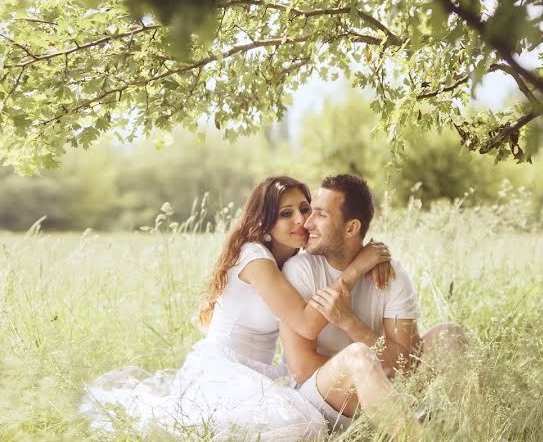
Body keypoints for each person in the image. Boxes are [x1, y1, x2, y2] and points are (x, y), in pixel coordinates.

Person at [80, 175, 393, 440]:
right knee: (300, 424)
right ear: (265, 222)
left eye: (304, 209)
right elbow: (307, 324)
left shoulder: (293, 260)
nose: (300, 219)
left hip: (259, 371)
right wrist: (353, 273)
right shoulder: (254, 257)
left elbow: (340, 247)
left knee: (306, 419)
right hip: (221, 369)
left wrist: (371, 258)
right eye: (286, 214)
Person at [280, 174, 468, 439]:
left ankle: (479, 431)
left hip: (386, 393)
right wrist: (365, 373)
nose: (307, 223)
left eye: (320, 215)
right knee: (359, 356)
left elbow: (408, 366)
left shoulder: (391, 274)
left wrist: (350, 323)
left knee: (450, 334)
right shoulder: (299, 271)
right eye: (311, 212)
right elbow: (302, 369)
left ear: (351, 228)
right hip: (320, 402)